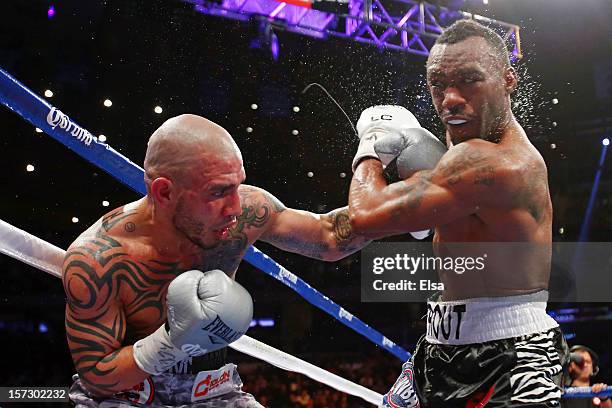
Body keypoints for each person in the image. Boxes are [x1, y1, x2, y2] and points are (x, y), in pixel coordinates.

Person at [63, 114, 370, 407]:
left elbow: (330, 237)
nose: (236, 207)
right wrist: (173, 341)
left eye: (237, 185)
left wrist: (400, 192)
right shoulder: (99, 259)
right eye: (219, 191)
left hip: (214, 391)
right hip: (126, 397)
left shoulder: (247, 213)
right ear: (164, 192)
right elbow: (97, 375)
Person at [348, 20, 568, 407]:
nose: (449, 98)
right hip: (438, 344)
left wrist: (370, 148)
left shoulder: (490, 162)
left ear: (507, 80)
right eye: (437, 83)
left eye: (468, 80)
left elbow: (365, 215)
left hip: (510, 358)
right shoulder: (466, 139)